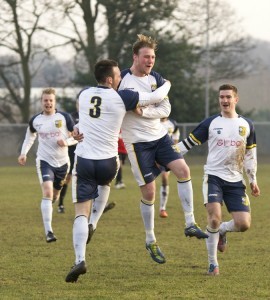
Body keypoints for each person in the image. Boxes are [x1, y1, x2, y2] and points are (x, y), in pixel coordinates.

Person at [65, 59, 171, 282]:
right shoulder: (123, 96)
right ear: (110, 79)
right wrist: (167, 84)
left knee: (79, 213)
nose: (122, 80)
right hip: (109, 161)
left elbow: (83, 120)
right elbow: (155, 98)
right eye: (118, 77)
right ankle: (95, 221)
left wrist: (76, 131)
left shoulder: (83, 94)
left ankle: (79, 260)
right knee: (104, 184)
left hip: (84, 159)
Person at [117, 34, 208, 265]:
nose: (150, 61)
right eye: (146, 57)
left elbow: (165, 105)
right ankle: (150, 240)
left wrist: (145, 110)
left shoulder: (154, 77)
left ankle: (190, 222)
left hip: (160, 137)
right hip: (137, 143)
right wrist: (156, 96)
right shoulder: (123, 81)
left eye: (153, 57)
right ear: (135, 57)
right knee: (149, 193)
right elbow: (155, 99)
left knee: (183, 170)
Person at [178, 84, 260, 275]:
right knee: (214, 218)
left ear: (236, 99)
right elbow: (186, 144)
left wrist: (253, 179)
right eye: (222, 97)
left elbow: (250, 154)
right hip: (213, 177)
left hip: (235, 180)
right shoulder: (211, 123)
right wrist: (165, 155)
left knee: (243, 224)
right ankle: (212, 263)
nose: (224, 100)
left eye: (228, 97)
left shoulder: (246, 125)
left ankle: (223, 230)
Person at [18, 87, 75, 242]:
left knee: (55, 195)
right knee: (48, 193)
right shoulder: (36, 120)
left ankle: (50, 204)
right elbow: (29, 137)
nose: (48, 103)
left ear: (54, 102)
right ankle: (49, 231)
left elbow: (77, 136)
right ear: (41, 102)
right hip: (44, 162)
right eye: (45, 100)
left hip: (63, 164)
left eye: (50, 100)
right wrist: (24, 153)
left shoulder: (64, 118)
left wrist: (67, 142)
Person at [58, 103, 116, 214]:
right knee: (68, 179)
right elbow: (69, 133)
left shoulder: (91, 116)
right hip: (72, 151)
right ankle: (60, 203)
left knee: (94, 178)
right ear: (76, 105)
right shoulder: (71, 117)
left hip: (88, 152)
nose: (81, 106)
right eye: (79, 104)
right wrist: (68, 140)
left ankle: (97, 204)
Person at [159, 117, 180, 218]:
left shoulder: (172, 123)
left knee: (164, 177)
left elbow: (175, 135)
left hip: (165, 154)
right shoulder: (153, 121)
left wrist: (174, 149)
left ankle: (162, 208)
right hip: (151, 154)